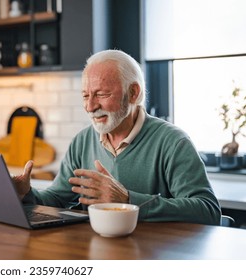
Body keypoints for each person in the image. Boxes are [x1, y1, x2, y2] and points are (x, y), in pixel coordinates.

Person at [13, 49, 221, 225]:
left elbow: (208, 211)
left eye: (102, 94)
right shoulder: (82, 141)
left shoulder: (173, 142)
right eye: (86, 95)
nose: (90, 106)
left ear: (133, 93)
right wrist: (26, 193)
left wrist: (128, 201)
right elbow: (58, 198)